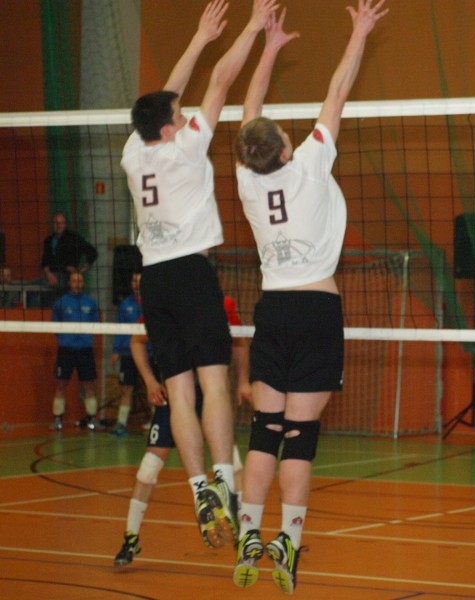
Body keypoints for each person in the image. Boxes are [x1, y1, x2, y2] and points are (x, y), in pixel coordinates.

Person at [231, 1, 388, 593]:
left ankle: (250, 532)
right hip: (317, 309)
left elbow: (248, 114)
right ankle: (288, 543)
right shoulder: (311, 164)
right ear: (285, 147)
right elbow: (337, 90)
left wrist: (267, 48)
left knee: (265, 429)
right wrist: (360, 31)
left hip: (271, 309)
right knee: (301, 434)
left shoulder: (247, 180)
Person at [120, 0, 278, 550]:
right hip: (190, 273)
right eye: (179, 114)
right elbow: (220, 81)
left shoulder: (133, 152)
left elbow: (168, 93)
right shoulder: (186, 147)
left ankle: (197, 490)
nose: (186, 114)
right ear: (170, 128)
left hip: (153, 280)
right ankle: (225, 484)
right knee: (214, 383)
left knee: (180, 392)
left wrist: (199, 36)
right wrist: (251, 27)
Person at [114, 293, 251, 566]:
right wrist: (150, 381)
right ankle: (131, 537)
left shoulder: (222, 303)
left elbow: (239, 341)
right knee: (149, 467)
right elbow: (136, 340)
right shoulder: (165, 299)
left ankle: (244, 535)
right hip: (175, 394)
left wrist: (244, 380)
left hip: (210, 395)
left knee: (232, 464)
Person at [49, 272, 100, 431]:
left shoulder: (90, 302)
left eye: (80, 281)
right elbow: (54, 325)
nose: (77, 284)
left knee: (89, 385)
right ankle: (58, 419)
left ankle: (92, 419)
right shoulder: (61, 303)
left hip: (85, 349)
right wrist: (66, 339)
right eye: (74, 281)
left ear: (83, 283)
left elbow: (96, 324)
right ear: (69, 283)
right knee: (61, 384)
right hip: (66, 349)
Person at [109, 271, 143, 437]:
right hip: (128, 353)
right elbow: (119, 330)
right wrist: (116, 350)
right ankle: (121, 424)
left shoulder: (152, 302)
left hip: (148, 353)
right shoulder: (125, 304)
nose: (137, 284)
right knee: (126, 389)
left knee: (155, 388)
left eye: (139, 281)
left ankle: (157, 422)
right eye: (134, 281)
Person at [39, 212, 98, 306]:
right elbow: (45, 261)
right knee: (33, 287)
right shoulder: (48, 240)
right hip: (51, 276)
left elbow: (92, 252)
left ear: (65, 224)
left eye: (61, 223)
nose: (58, 225)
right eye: (55, 223)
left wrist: (80, 271)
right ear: (52, 224)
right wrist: (49, 274)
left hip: (66, 276)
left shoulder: (74, 239)